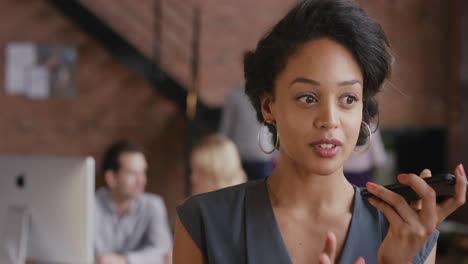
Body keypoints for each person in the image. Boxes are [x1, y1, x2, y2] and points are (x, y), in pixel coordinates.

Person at [173, 0, 467, 263]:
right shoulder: (204, 223)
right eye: (307, 98)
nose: (329, 120)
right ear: (268, 106)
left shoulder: (406, 231)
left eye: (348, 99)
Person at [94, 140, 172, 264]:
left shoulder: (153, 205)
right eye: (132, 173)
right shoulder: (90, 206)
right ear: (111, 178)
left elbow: (163, 252)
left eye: (143, 172)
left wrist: (125, 261)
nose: (141, 180)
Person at [220, 83, 274, 180]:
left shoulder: (273, 95)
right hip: (238, 159)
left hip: (263, 159)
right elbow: (226, 128)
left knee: (263, 194)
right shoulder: (235, 95)